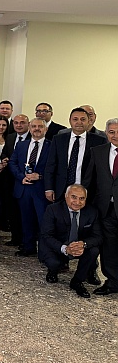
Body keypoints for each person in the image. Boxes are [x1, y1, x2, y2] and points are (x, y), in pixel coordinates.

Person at [40, 184, 101, 298]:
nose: (77, 202)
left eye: (82, 198)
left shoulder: (92, 212)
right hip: (58, 246)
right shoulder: (53, 209)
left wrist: (83, 244)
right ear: (66, 196)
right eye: (74, 197)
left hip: (78, 246)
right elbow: (46, 235)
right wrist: (65, 249)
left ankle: (77, 280)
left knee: (93, 250)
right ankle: (53, 270)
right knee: (54, 263)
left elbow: (98, 236)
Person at [83, 118, 118, 296]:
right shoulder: (98, 151)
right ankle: (112, 282)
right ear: (106, 133)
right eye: (111, 132)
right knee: (108, 247)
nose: (115, 135)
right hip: (105, 209)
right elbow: (89, 180)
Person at [44, 107, 106, 203]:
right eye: (75, 119)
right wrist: (49, 188)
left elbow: (101, 169)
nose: (79, 122)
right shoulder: (58, 139)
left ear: (89, 121)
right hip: (60, 189)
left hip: (87, 190)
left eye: (83, 119)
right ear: (70, 121)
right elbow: (51, 165)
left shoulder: (99, 141)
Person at [9, 118, 51, 256]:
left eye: (40, 126)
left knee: (43, 222)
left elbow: (55, 167)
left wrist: (40, 176)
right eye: (34, 126)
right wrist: (21, 177)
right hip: (24, 188)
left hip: (41, 189)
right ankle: (28, 247)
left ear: (46, 129)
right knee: (26, 220)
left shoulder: (52, 146)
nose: (37, 129)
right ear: (29, 128)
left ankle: (45, 252)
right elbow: (12, 163)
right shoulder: (21, 145)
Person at [1, 114, 30, 247]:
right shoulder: (10, 137)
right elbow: (4, 153)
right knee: (12, 210)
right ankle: (15, 237)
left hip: (26, 180)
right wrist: (4, 158)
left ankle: (26, 240)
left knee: (25, 212)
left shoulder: (33, 138)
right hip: (10, 180)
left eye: (22, 122)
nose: (19, 125)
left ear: (28, 124)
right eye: (16, 123)